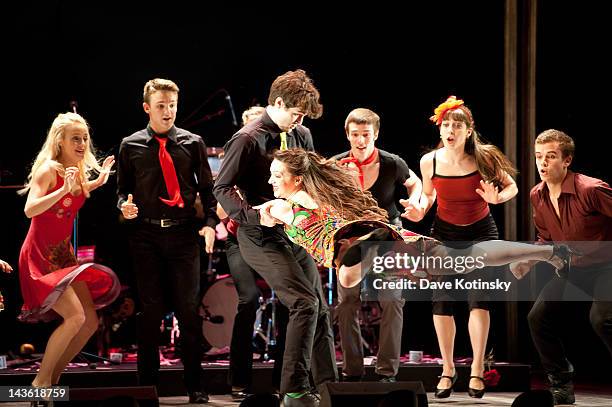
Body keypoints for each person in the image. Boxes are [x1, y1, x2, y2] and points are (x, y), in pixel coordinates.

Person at [260, 149, 568, 289]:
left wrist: (265, 212)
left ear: (298, 179)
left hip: (349, 242)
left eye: (277, 176)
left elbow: (260, 216)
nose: (271, 181)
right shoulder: (327, 195)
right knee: (469, 257)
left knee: (347, 279)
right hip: (387, 235)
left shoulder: (284, 206)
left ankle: (370, 250)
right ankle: (547, 251)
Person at [214, 69, 338, 407]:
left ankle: (329, 387)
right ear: (278, 102)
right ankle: (294, 390)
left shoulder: (301, 134)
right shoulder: (247, 138)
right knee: (303, 302)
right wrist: (255, 215)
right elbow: (222, 188)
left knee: (319, 306)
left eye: (303, 117)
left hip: (296, 233)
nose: (298, 121)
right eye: (295, 113)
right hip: (259, 235)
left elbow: (314, 179)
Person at [403, 96, 518, 399]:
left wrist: (497, 199)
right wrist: (419, 210)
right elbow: (428, 195)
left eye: (457, 125)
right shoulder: (430, 161)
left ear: (469, 130)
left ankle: (478, 368)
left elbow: (512, 186)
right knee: (442, 301)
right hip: (444, 233)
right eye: (446, 125)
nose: (450, 130)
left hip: (481, 233)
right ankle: (448, 369)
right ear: (440, 130)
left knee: (477, 299)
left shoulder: (484, 157)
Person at [117, 78, 217, 404]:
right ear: (147, 108)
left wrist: (210, 224)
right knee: (150, 312)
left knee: (188, 312)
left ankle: (195, 386)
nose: (168, 111)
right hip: (145, 236)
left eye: (172, 105)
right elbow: (121, 192)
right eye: (161, 105)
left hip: (184, 233)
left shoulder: (193, 143)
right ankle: (148, 388)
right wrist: (123, 206)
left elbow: (207, 191)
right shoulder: (130, 145)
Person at [17, 112, 120, 391]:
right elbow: (30, 209)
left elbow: (75, 194)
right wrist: (65, 190)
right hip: (40, 256)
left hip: (63, 256)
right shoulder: (48, 169)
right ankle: (40, 382)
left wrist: (96, 183)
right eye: (76, 138)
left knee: (89, 322)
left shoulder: (74, 172)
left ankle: (53, 380)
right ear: (60, 141)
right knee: (75, 317)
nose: (82, 144)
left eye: (85, 138)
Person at [510, 129, 612, 405]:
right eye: (538, 157)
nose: (542, 163)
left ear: (566, 160)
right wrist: (530, 259)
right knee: (538, 318)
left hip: (606, 267)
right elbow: (547, 238)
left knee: (601, 319)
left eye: (551, 156)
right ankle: (560, 383)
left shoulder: (591, 189)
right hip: (575, 270)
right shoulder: (537, 195)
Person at [332, 108, 422, 382]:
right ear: (347, 135)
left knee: (393, 300)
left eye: (366, 135)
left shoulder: (391, 162)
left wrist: (415, 201)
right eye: (356, 135)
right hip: (350, 239)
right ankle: (352, 369)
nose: (361, 141)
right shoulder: (335, 165)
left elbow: (415, 183)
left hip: (388, 237)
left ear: (376, 134)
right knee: (347, 302)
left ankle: (386, 372)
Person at [219, 105, 287, 400]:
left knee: (288, 299)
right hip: (238, 239)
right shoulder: (234, 159)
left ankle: (283, 378)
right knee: (249, 298)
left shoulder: (273, 164)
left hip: (272, 237)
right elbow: (221, 202)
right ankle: (239, 380)